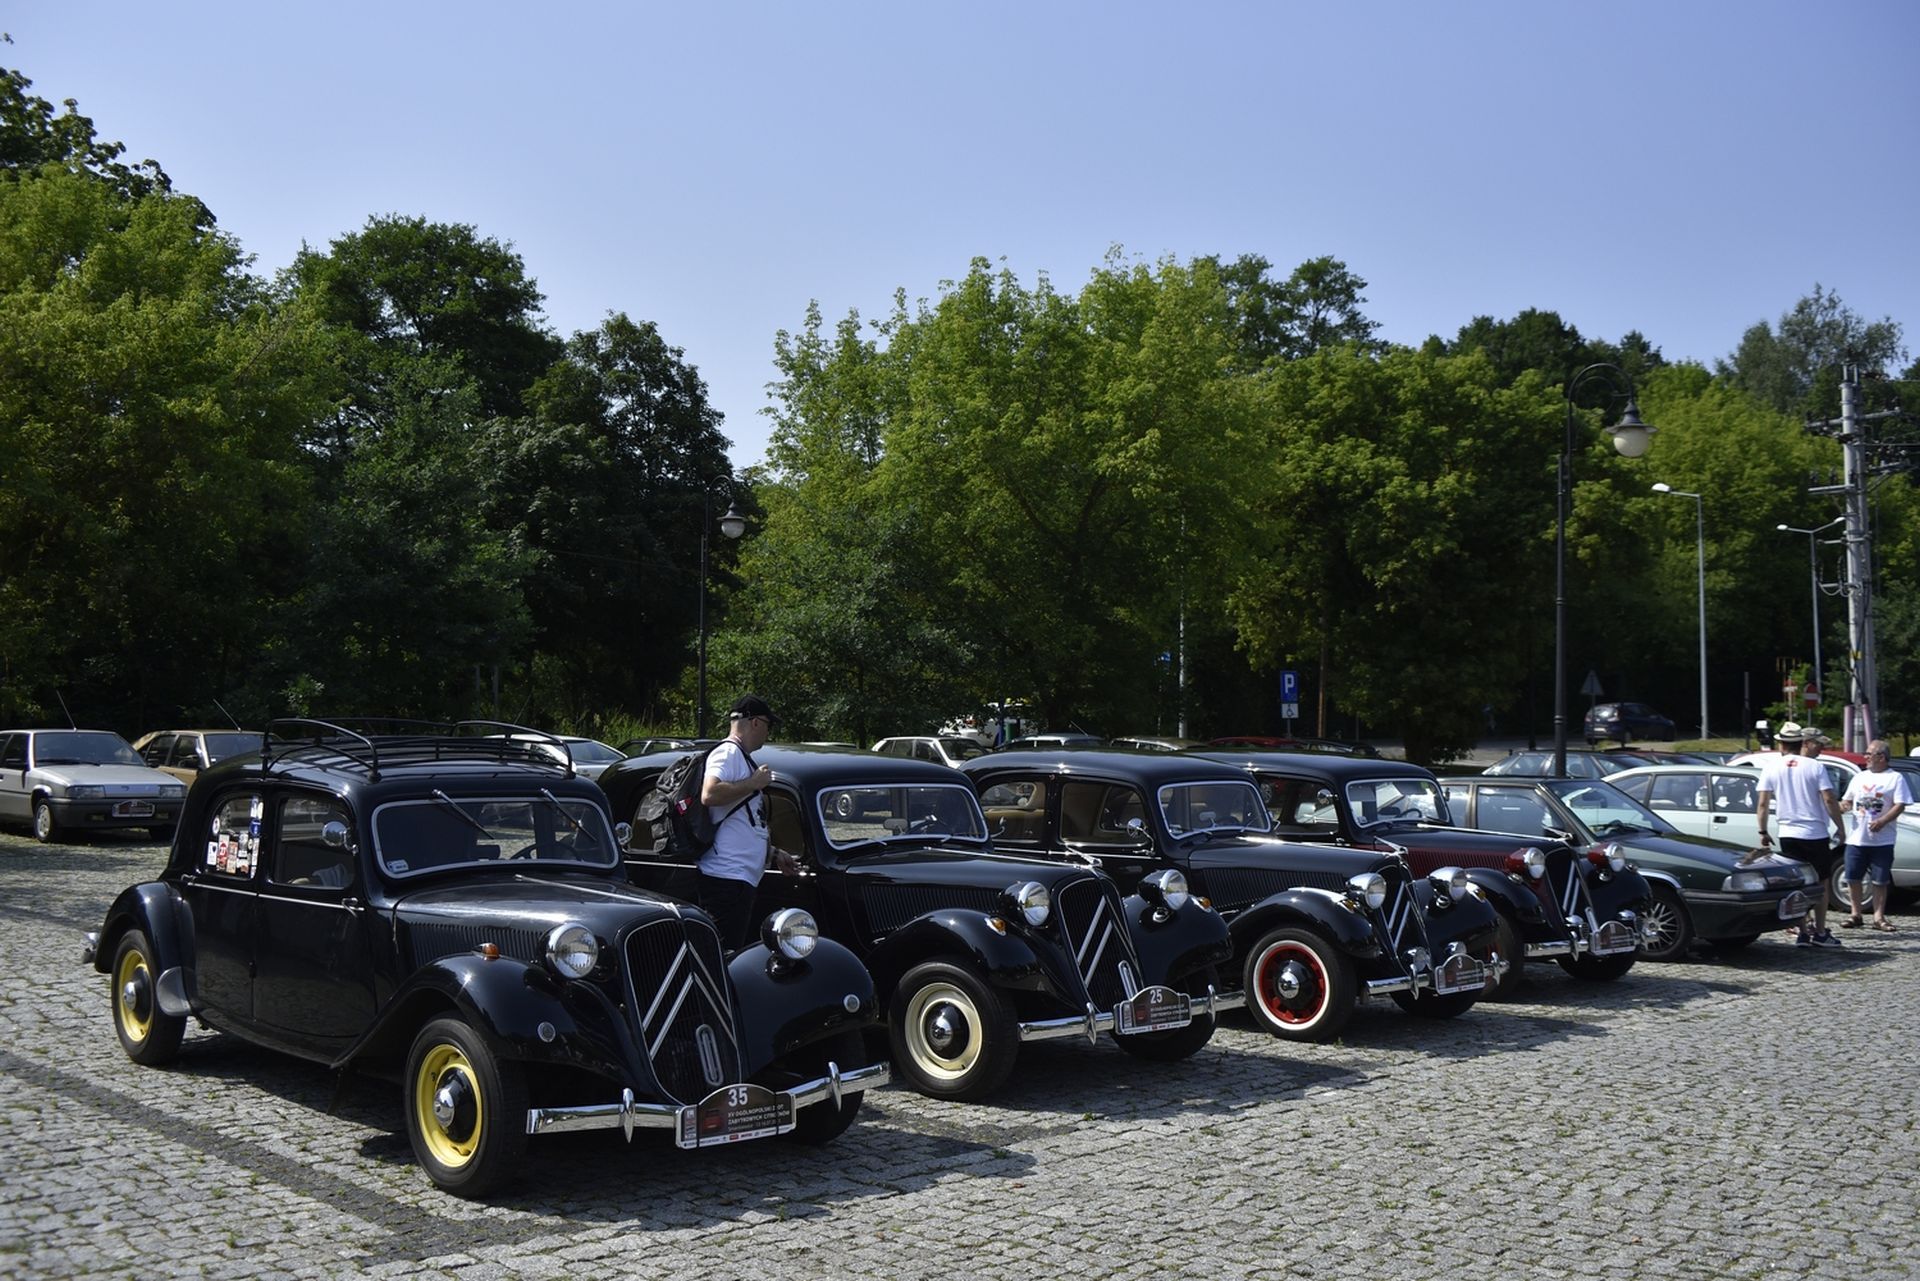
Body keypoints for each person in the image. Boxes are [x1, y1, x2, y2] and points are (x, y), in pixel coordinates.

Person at [696, 694, 798, 950]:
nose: (768, 731)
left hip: (737, 880)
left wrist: (773, 853)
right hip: (726, 880)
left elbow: (742, 822)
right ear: (754, 722)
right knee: (724, 956)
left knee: (733, 951)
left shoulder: (739, 756)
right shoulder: (728, 752)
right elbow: (709, 794)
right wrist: (754, 783)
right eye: (767, 724)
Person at [1752, 723, 1845, 946]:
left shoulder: (1772, 767)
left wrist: (1763, 830)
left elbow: (1763, 803)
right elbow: (1829, 799)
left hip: (1787, 832)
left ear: (1781, 743)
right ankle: (1820, 932)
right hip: (1813, 832)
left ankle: (1803, 930)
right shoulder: (1814, 766)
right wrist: (1840, 827)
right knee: (1820, 882)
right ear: (1801, 743)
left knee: (1797, 883)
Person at [1838, 740, 1913, 932]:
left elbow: (1900, 804)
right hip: (1856, 837)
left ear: (1881, 757)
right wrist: (1841, 807)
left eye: (1869, 754)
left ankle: (1879, 917)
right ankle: (1856, 914)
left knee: (1880, 880)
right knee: (1853, 877)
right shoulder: (1859, 777)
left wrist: (1883, 821)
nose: (1865, 757)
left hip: (1882, 839)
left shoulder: (1895, 778)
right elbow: (1847, 800)